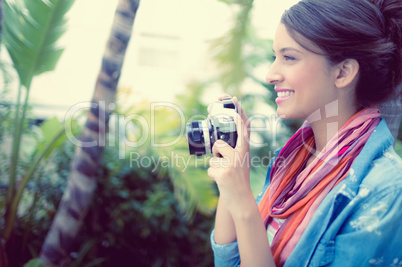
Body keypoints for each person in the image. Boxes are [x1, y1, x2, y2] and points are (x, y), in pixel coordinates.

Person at [207, 0, 402, 266]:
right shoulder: (293, 161)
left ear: (343, 72)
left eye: (289, 57)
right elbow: (230, 261)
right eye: (275, 56)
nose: (271, 74)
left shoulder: (388, 191)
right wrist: (232, 176)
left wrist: (242, 202)